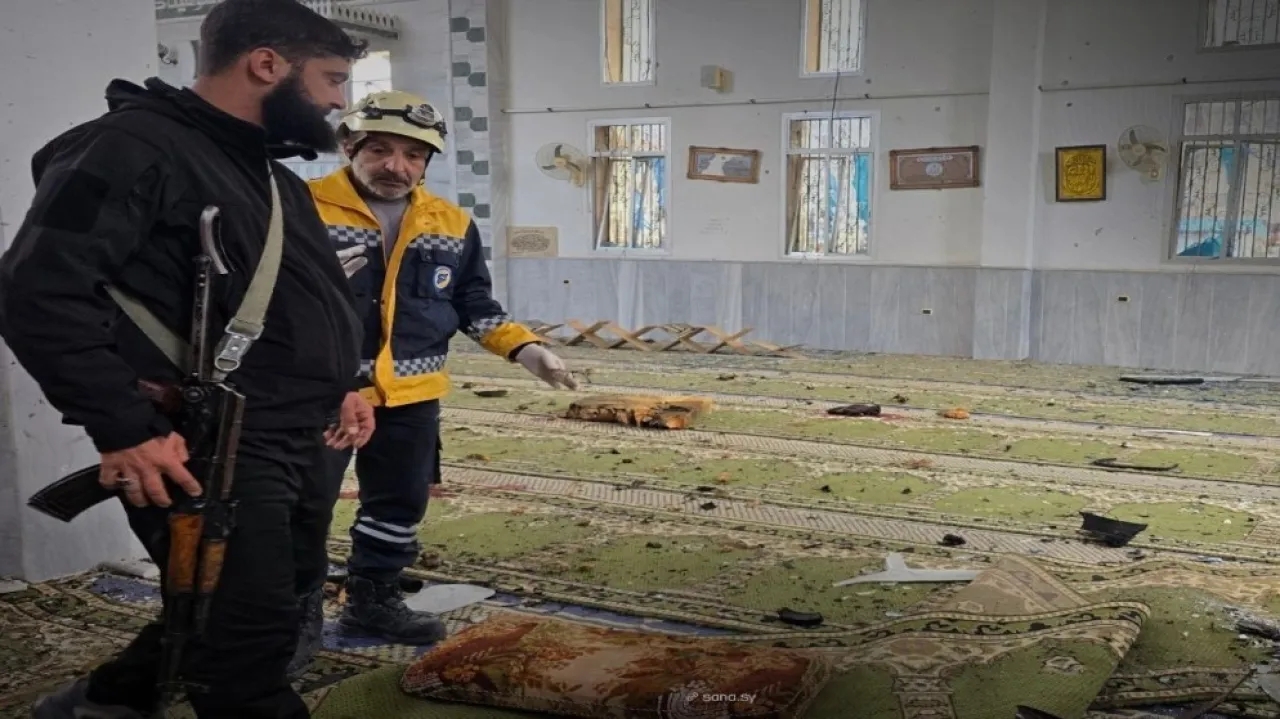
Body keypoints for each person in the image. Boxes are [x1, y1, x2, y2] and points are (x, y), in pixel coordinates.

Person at [1, 1, 377, 717]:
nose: (339, 102)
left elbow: (304, 302)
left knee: (246, 601)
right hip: (208, 443)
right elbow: (37, 290)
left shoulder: (271, 177)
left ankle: (103, 703)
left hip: (297, 434)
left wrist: (342, 385)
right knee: (248, 640)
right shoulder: (126, 147)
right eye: (332, 80)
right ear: (266, 64)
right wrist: (124, 426)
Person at [302, 90, 577, 647]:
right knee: (300, 506)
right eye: (379, 150)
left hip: (411, 394)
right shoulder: (301, 208)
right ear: (349, 148)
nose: (396, 166)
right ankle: (292, 617)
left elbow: (472, 302)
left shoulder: (449, 223)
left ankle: (373, 601)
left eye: (413, 155)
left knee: (399, 503)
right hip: (322, 394)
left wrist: (526, 350)